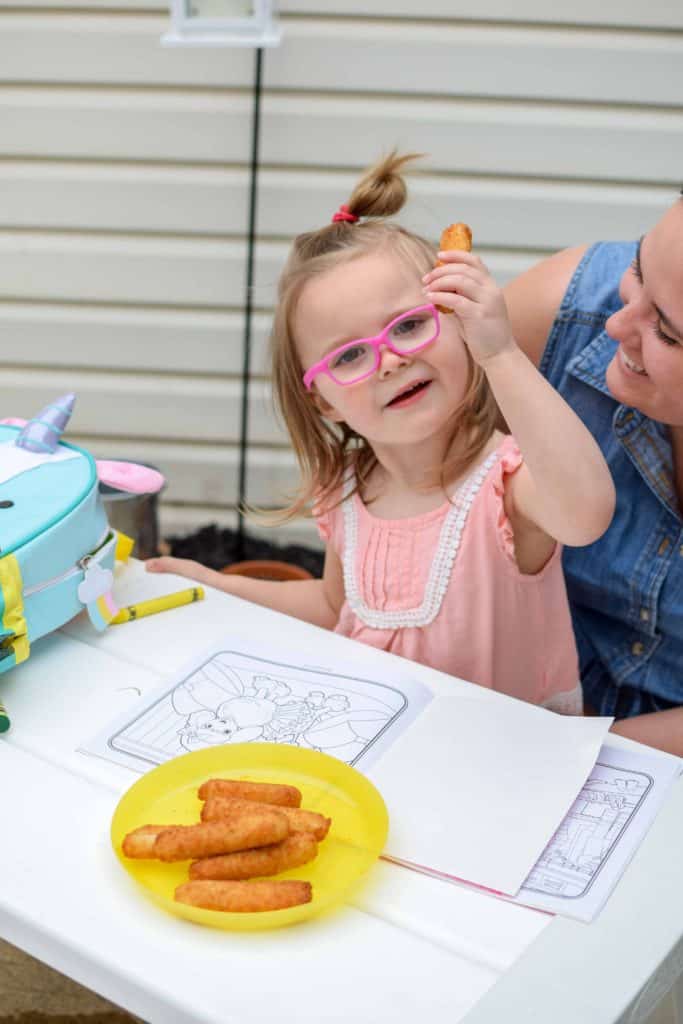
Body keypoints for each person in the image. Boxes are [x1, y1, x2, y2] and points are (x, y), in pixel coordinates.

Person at [147, 152, 615, 714]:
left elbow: (586, 513)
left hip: (504, 774)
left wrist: (501, 353)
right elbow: (333, 608)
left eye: (412, 325)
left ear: (458, 321)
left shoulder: (506, 488)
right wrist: (214, 584)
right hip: (383, 748)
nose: (390, 360)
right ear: (322, 400)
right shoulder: (346, 491)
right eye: (349, 356)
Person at [473, 190, 682, 755]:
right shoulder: (559, 313)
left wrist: (560, 752)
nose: (615, 325)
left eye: (667, 331)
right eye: (637, 269)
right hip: (508, 718)